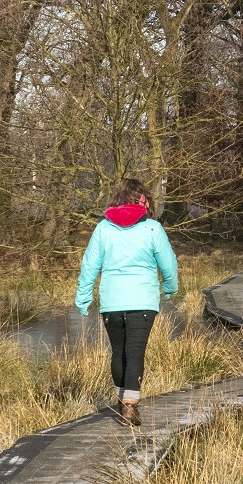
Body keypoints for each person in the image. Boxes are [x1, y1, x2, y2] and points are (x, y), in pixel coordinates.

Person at [74, 177, 178, 427]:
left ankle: (122, 402)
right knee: (135, 352)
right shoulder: (152, 228)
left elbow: (90, 266)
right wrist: (170, 288)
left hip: (112, 301)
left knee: (119, 352)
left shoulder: (103, 229)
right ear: (145, 202)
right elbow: (168, 263)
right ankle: (130, 406)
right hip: (142, 301)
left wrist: (84, 298)